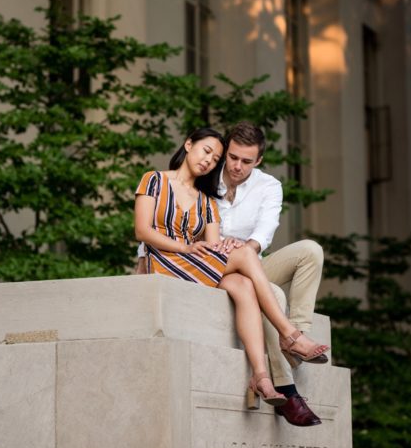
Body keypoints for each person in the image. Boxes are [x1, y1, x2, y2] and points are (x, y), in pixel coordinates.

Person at [134, 126, 327, 413]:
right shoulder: (155, 180)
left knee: (246, 283)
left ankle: (261, 376)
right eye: (207, 152)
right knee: (246, 257)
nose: (210, 161)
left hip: (202, 264)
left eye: (214, 158)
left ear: (258, 160)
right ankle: (289, 335)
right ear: (188, 145)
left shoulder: (207, 198)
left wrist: (226, 248)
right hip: (168, 260)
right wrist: (189, 248)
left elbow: (221, 243)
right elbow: (142, 230)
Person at [210, 122, 327, 428]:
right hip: (218, 269)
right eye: (233, 157)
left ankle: (294, 342)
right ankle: (288, 391)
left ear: (258, 160)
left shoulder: (268, 186)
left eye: (246, 161)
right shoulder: (207, 178)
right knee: (272, 294)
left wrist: (247, 246)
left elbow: (266, 229)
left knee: (310, 250)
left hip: (252, 262)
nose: (237, 166)